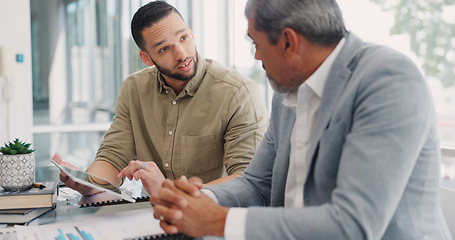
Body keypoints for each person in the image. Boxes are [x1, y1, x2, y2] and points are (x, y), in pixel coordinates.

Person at [150, 0, 453, 239]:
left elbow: (354, 225)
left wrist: (218, 220)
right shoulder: (287, 92)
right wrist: (198, 200)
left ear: (288, 42)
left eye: (256, 44)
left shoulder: (387, 80)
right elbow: (258, 184)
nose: (256, 57)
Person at [53, 1, 268, 197]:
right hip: (154, 219)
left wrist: (171, 193)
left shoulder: (238, 93)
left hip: (213, 221)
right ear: (146, 58)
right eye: (164, 48)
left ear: (191, 33)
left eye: (183, 38)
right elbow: (113, 156)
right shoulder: (134, 89)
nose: (182, 54)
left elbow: (247, 181)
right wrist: (88, 184)